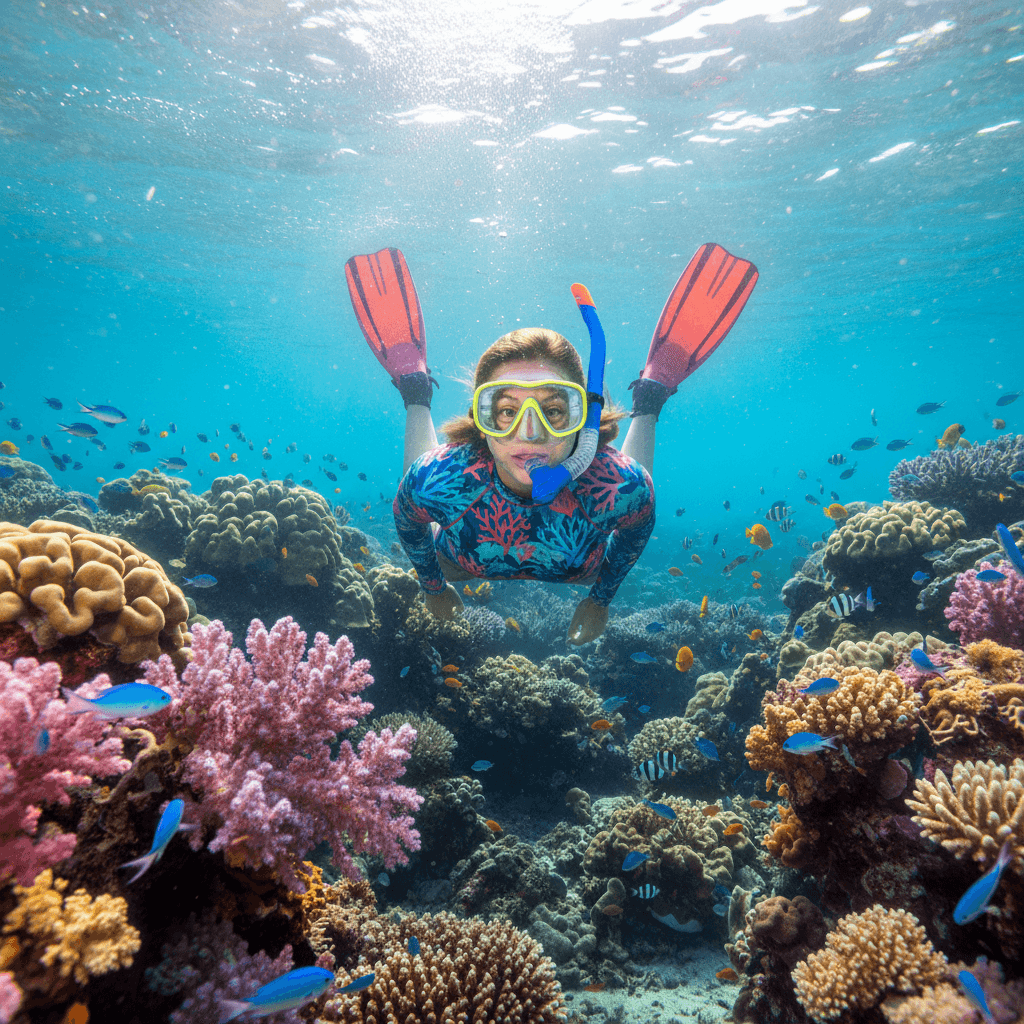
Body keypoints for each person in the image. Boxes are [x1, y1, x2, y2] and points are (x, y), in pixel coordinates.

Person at [344, 245, 757, 643]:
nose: (530, 433)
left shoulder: (623, 485)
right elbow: (408, 516)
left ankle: (649, 398)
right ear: (480, 419)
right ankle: (416, 390)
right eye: (506, 411)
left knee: (628, 486)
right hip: (460, 562)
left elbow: (636, 527)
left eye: (554, 411)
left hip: (577, 566)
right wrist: (433, 586)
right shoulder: (439, 477)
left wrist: (600, 599)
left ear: (584, 417)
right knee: (421, 485)